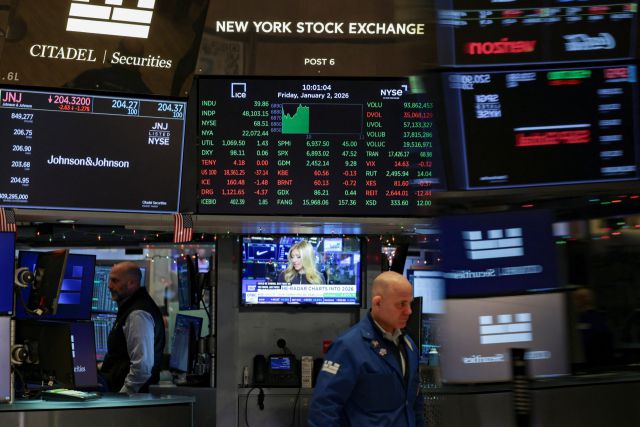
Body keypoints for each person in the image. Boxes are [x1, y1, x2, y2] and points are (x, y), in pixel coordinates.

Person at [308, 271, 424, 427]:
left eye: (410, 303)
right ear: (378, 303)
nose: (409, 311)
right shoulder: (348, 347)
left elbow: (415, 404)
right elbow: (323, 410)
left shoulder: (409, 346)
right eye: (401, 304)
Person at [100, 262, 165, 393]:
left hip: (127, 397)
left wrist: (123, 398)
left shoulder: (138, 314)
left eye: (115, 281)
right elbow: (120, 356)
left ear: (132, 283)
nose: (109, 286)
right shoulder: (130, 307)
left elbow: (142, 369)